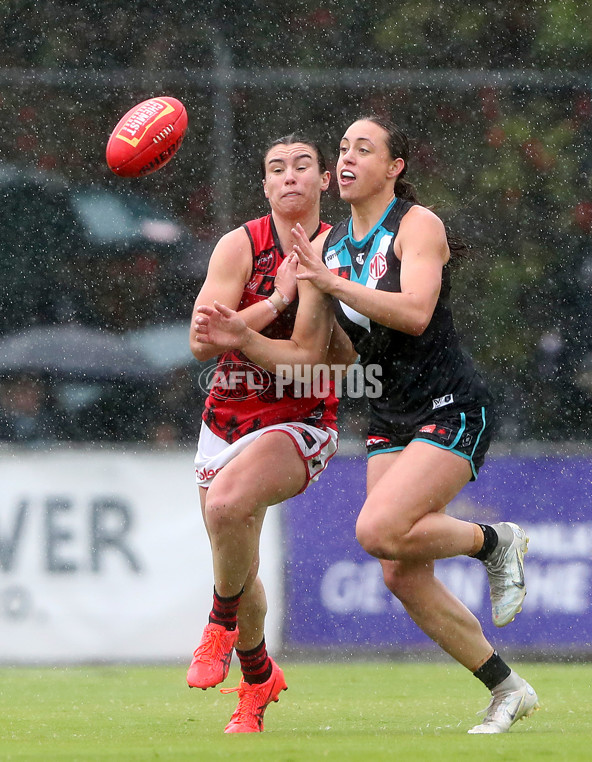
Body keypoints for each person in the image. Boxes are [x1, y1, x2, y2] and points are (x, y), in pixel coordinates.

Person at [194, 116, 539, 735]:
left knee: (378, 528)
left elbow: (414, 312)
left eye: (364, 149)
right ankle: (506, 688)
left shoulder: (416, 224)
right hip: (390, 414)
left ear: (394, 167)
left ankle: (495, 541)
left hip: (448, 404)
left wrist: (328, 283)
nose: (349, 158)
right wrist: (244, 335)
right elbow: (305, 360)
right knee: (398, 566)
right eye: (345, 148)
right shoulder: (326, 252)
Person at [187, 133, 353, 734]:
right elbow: (201, 340)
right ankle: (258, 680)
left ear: (324, 181)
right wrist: (275, 297)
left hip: (301, 418)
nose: (289, 176)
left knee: (229, 507)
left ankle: (216, 622)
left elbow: (308, 359)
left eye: (302, 167)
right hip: (226, 416)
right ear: (264, 185)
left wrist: (246, 325)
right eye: (276, 168)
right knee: (241, 559)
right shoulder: (241, 245)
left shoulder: (337, 250)